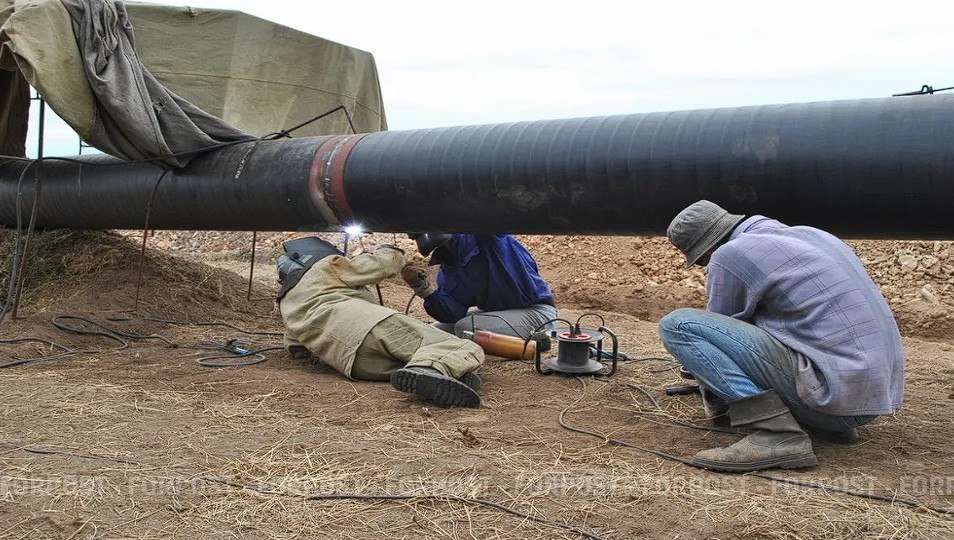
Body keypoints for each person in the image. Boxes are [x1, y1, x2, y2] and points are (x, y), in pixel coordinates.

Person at [658, 200, 904, 472]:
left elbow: (718, 328)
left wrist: (715, 399)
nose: (706, 266)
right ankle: (827, 424)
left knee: (678, 325)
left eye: (702, 260)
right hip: (869, 402)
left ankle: (776, 433)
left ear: (710, 247)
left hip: (833, 401)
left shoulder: (729, 254)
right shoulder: (810, 235)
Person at [277, 236, 484, 408]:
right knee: (461, 346)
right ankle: (432, 368)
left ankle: (439, 371)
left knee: (410, 361)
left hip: (354, 364)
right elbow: (384, 263)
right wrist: (391, 250)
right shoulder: (325, 267)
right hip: (367, 324)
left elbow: (297, 349)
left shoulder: (287, 303)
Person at [401, 234, 557, 338]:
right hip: (500, 313)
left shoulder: (485, 235)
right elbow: (453, 314)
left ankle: (536, 340)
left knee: (465, 328)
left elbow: (494, 211)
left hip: (536, 313)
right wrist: (424, 289)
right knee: (434, 331)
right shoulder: (449, 264)